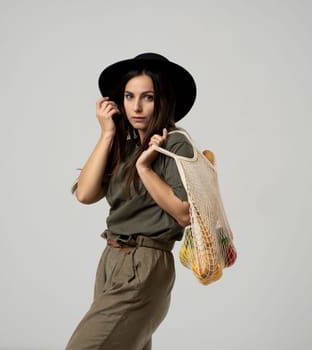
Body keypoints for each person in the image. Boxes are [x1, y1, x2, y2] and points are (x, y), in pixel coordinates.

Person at [65, 52, 197, 350]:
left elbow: (184, 213)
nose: (136, 106)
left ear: (163, 100)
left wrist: (144, 168)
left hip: (145, 261)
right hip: (112, 259)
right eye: (129, 96)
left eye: (147, 97)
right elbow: (85, 194)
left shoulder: (174, 143)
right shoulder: (125, 145)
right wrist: (107, 133)